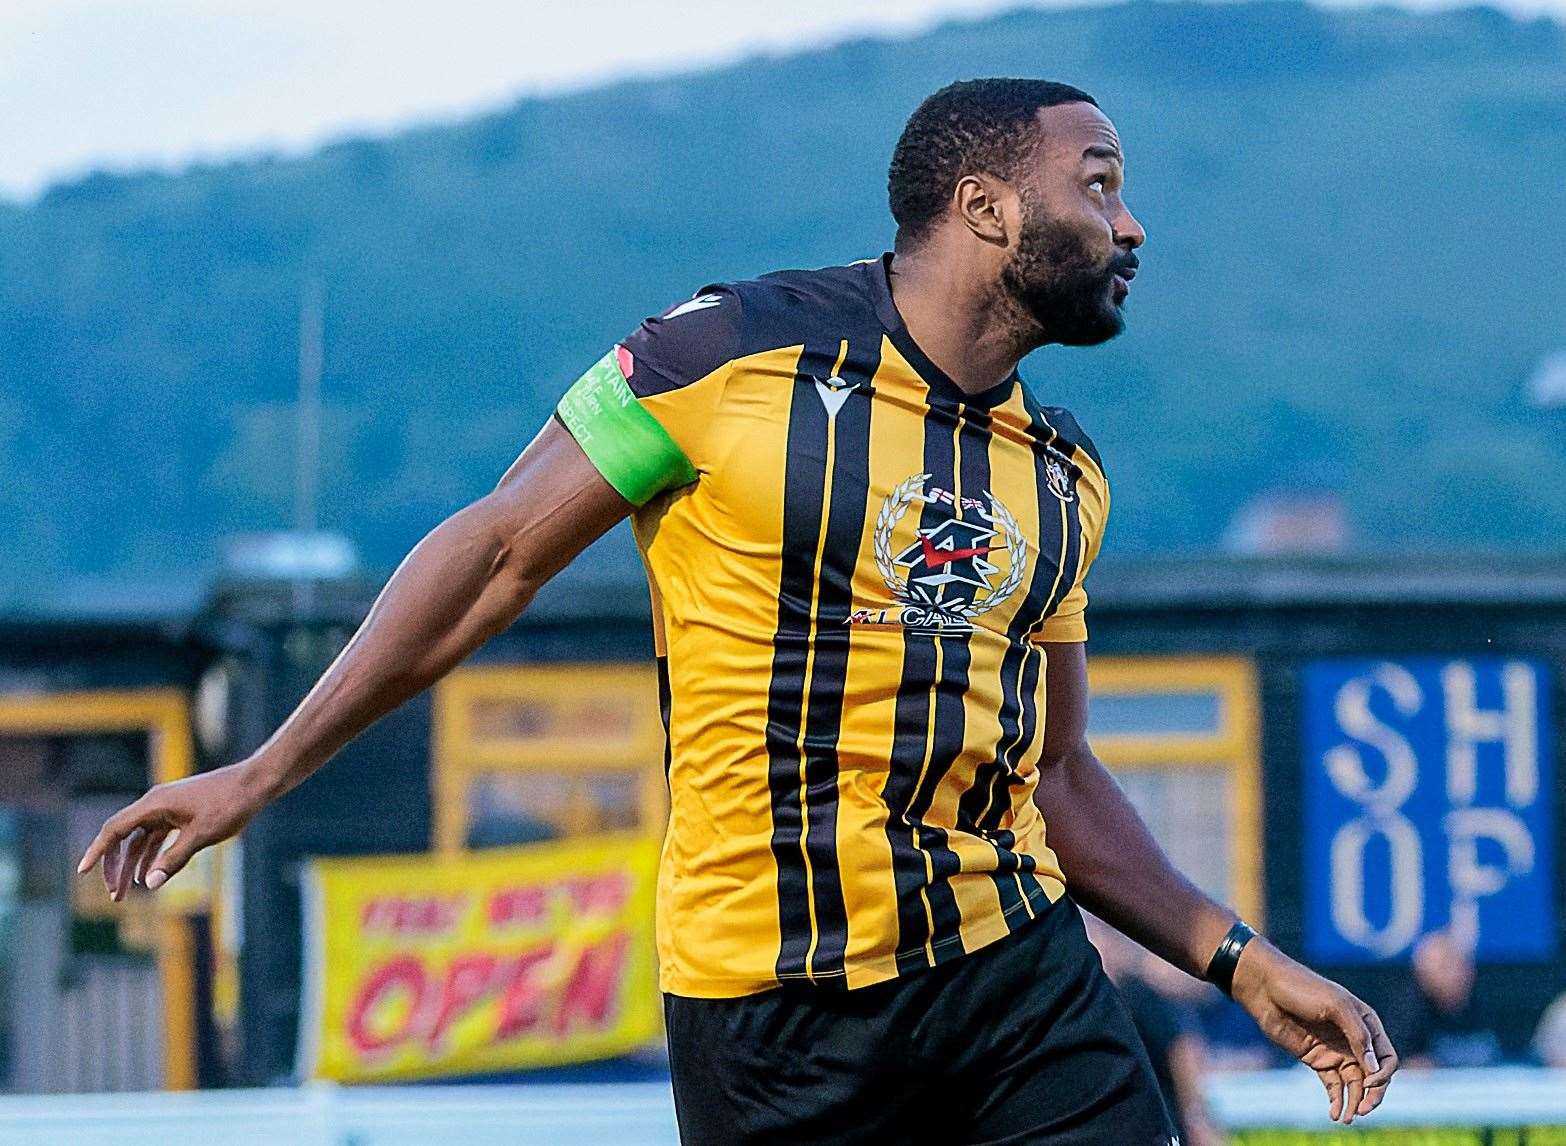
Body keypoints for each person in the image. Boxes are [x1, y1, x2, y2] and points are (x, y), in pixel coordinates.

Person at [78, 78, 1397, 1143]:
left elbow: (1050, 769)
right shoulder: (719, 353)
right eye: (1100, 184)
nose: (1132, 225)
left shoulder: (1064, 475)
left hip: (1014, 975)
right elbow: (493, 555)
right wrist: (259, 769)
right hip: (772, 1017)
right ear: (988, 207)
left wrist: (1234, 957)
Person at [1379, 929, 1502, 1069]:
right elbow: (1398, 1065)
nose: (1455, 975)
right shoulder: (1406, 1015)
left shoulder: (1489, 1004)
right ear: (1422, 973)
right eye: (1444, 967)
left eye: (1460, 966)